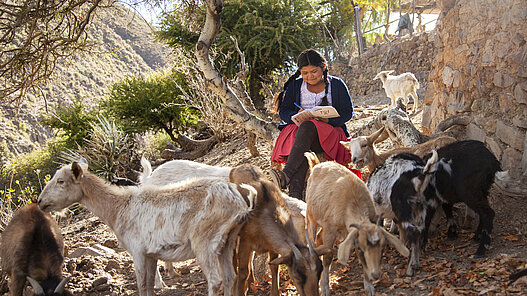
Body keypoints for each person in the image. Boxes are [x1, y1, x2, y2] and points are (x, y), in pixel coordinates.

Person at [270, 49, 354, 200]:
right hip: (301, 134)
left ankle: (286, 175)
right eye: (305, 73)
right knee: (304, 137)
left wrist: (328, 120)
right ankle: (295, 197)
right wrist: (296, 115)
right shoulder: (296, 86)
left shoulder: (337, 85)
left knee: (308, 127)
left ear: (323, 66)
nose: (310, 76)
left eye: (314, 71)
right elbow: (284, 111)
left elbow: (347, 113)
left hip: (329, 135)